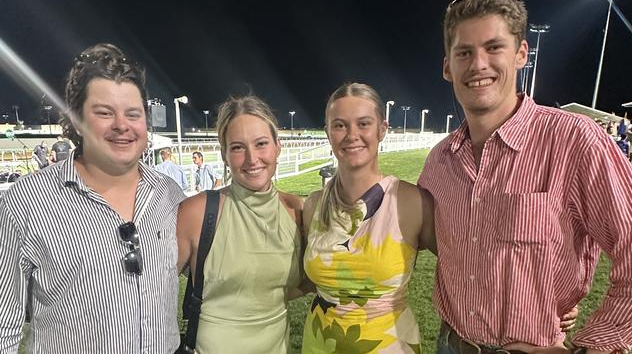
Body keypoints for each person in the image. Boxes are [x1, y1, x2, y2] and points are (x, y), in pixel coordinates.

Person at [418, 0, 632, 353]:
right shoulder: (439, 163)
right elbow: (442, 244)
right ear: (448, 66)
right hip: (452, 343)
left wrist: (595, 345)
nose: (478, 63)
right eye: (464, 52)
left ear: (522, 54)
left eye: (494, 47)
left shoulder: (574, 141)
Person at [0, 43, 186, 353]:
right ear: (76, 120)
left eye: (133, 114)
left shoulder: (170, 196)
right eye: (104, 113)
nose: (122, 125)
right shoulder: (26, 201)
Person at [301, 83, 436, 353]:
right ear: (328, 133)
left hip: (388, 345)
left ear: (382, 130)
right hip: (319, 344)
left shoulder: (411, 202)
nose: (352, 135)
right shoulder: (314, 205)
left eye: (363, 123)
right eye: (340, 125)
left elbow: (460, 268)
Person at [176, 95, 308, 354]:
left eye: (261, 144)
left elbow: (314, 280)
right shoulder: (197, 212)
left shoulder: (298, 211)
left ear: (278, 147)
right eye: (237, 147)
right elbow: (154, 293)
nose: (252, 158)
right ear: (224, 155)